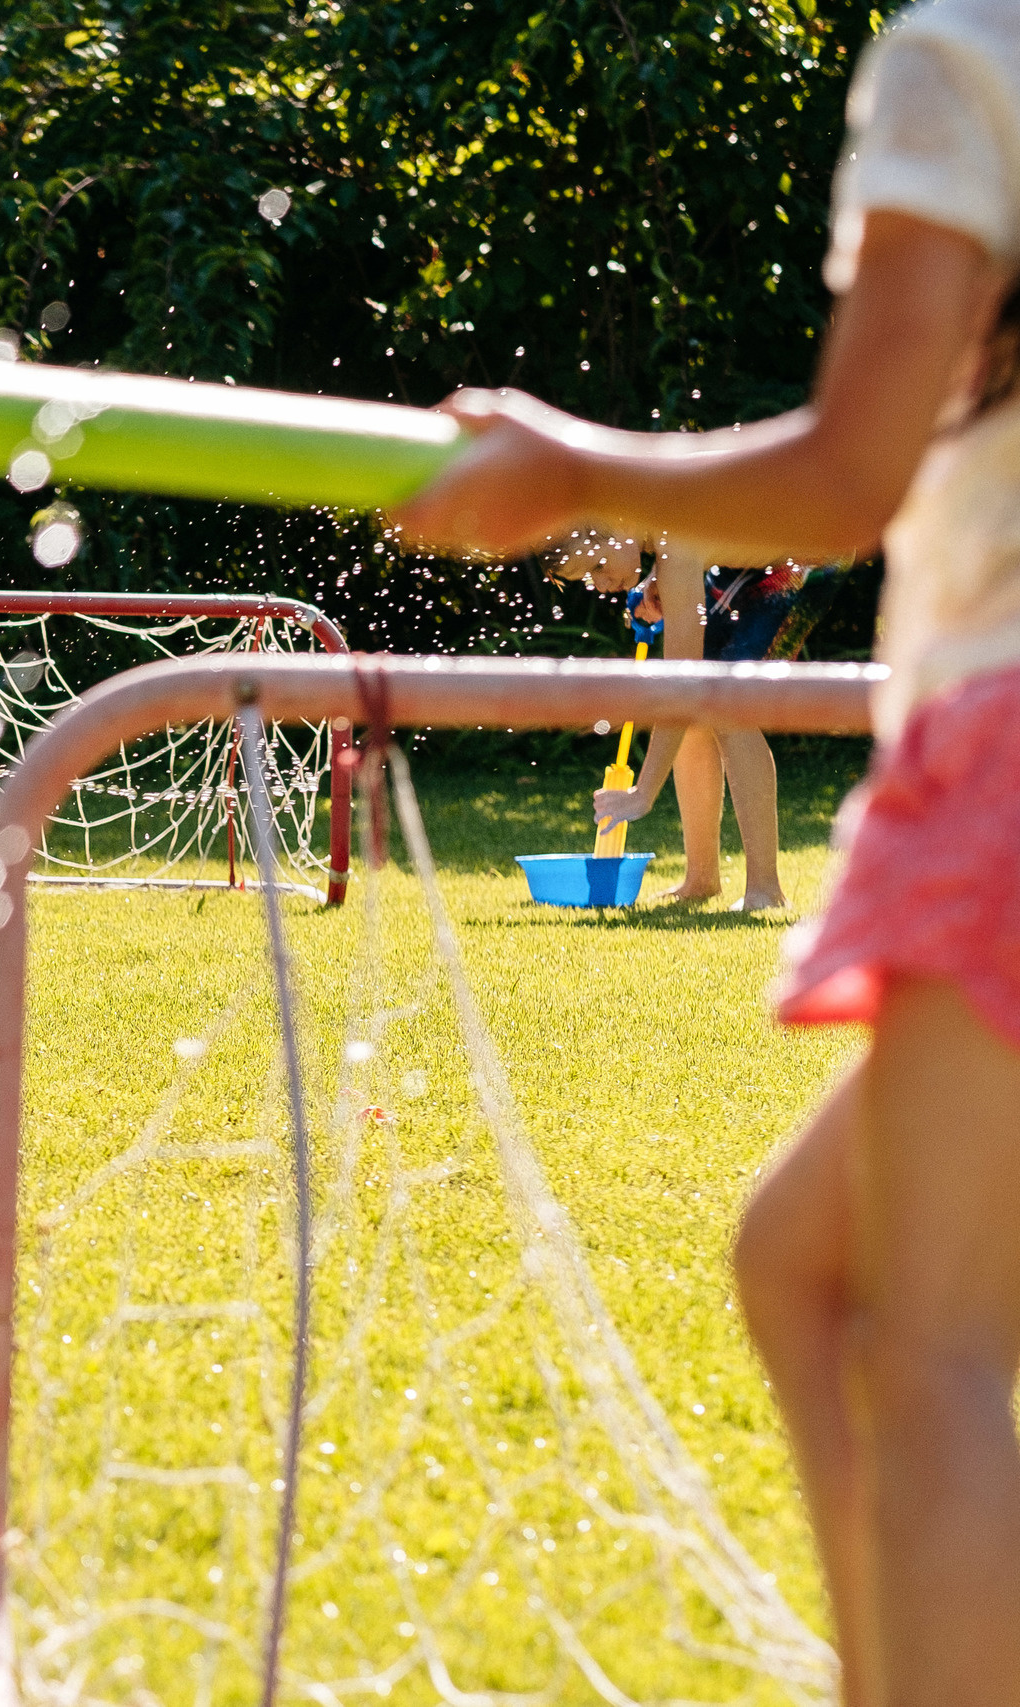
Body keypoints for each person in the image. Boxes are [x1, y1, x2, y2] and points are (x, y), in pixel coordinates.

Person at [392, 3, 1020, 1698]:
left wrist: (574, 464)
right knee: (804, 1263)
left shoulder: (970, 54)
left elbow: (848, 476)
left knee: (929, 1332)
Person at [594, 537, 795, 909]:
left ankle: (766, 890)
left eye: (597, 567)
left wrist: (643, 793)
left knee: (728, 706)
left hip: (805, 555)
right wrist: (660, 576)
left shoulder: (675, 544)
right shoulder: (664, 534)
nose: (599, 584)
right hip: (746, 566)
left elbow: (678, 684)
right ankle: (701, 879)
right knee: (696, 711)